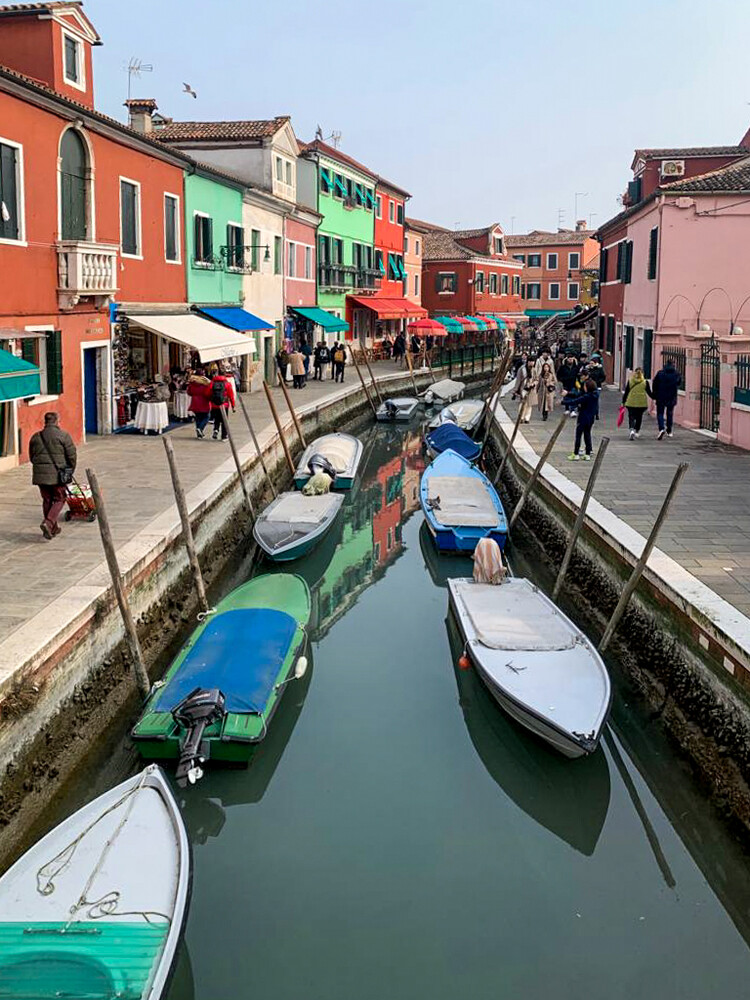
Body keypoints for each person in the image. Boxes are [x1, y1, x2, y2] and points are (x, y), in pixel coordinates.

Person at [29, 412, 77, 539]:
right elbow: (72, 456)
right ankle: (49, 522)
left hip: (40, 475)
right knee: (60, 498)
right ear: (57, 421)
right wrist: (70, 470)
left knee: (47, 499)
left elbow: (32, 457)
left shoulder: (35, 437)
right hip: (57, 474)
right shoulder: (64, 436)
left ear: (45, 421)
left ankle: (53, 528)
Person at [568, 378, 599, 461]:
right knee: (587, 434)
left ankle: (576, 453)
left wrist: (563, 402)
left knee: (578, 435)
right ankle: (587, 454)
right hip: (591, 418)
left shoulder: (586, 396)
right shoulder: (595, 395)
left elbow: (576, 401)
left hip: (582, 417)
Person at [652, 359, 681, 439]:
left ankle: (661, 428)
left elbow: (655, 383)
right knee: (670, 413)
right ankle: (669, 430)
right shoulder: (676, 374)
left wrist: (655, 393)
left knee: (660, 413)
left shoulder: (660, 373)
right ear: (673, 365)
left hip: (661, 396)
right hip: (671, 396)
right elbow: (679, 383)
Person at [622, 367, 651, 440]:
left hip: (631, 402)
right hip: (641, 403)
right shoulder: (645, 382)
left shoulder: (630, 381)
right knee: (639, 417)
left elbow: (626, 392)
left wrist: (623, 401)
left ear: (634, 373)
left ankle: (631, 429)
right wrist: (656, 396)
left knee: (631, 416)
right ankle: (637, 431)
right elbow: (649, 393)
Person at [209, 366, 236, 440]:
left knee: (217, 418)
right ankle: (224, 436)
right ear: (224, 375)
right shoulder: (227, 384)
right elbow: (231, 396)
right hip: (224, 405)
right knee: (224, 420)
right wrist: (233, 406)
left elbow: (207, 393)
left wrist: (211, 400)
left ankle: (216, 430)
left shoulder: (212, 383)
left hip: (214, 405)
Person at [187, 369, 212, 438]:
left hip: (195, 402)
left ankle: (199, 434)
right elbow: (208, 393)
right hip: (204, 402)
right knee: (207, 416)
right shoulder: (205, 383)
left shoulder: (192, 383)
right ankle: (200, 429)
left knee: (198, 417)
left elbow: (189, 392)